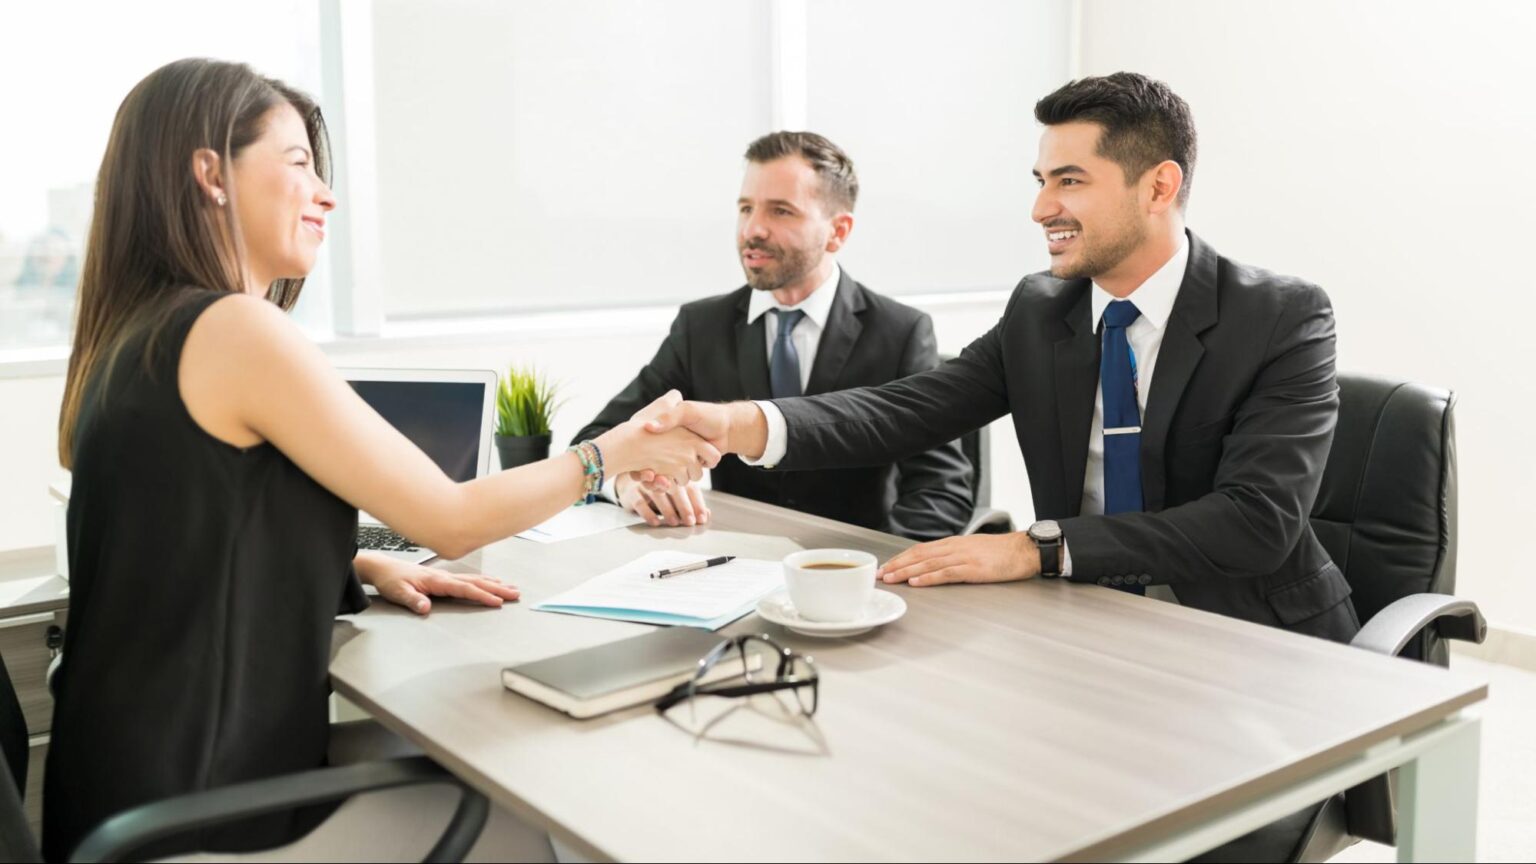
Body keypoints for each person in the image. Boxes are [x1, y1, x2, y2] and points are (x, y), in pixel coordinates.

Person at [643, 73, 1354, 861]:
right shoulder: (1041, 308)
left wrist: (1037, 548)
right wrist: (744, 422)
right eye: (1041, 181)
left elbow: (1258, 521)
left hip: (1248, 654)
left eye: (1070, 181)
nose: (1042, 208)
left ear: (1160, 186)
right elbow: (909, 407)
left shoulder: (1281, 315)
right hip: (1088, 639)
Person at [44, 58, 717, 861]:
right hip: (203, 819)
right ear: (210, 174)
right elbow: (451, 519)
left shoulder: (132, 337)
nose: (325, 193)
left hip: (119, 798)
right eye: (299, 164)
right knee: (525, 826)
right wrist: (611, 452)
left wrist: (358, 561)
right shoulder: (232, 330)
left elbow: (189, 531)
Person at [573, 131, 972, 540]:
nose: (753, 229)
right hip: (731, 566)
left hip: (852, 577)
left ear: (838, 231)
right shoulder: (701, 326)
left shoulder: (899, 332)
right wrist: (624, 482)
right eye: (746, 208)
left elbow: (941, 492)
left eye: (780, 211)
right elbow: (593, 442)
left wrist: (879, 575)